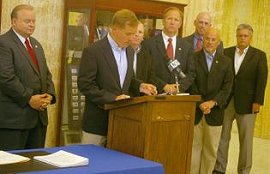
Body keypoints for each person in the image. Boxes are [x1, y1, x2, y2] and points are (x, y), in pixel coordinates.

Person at [78, 9, 157, 146]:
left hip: (121, 122)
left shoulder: (130, 51)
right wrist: (113, 99)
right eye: (128, 34)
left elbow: (126, 79)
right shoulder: (93, 51)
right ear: (114, 30)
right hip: (97, 123)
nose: (132, 38)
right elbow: (85, 85)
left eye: (134, 34)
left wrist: (140, 86)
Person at [214, 24, 268, 174]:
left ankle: (244, 170)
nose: (242, 38)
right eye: (240, 35)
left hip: (248, 104)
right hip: (226, 102)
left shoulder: (259, 55)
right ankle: (219, 168)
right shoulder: (226, 52)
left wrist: (258, 102)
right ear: (236, 36)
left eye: (245, 36)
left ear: (250, 37)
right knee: (222, 137)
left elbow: (262, 80)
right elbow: (220, 77)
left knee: (246, 141)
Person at [0, 4, 56, 150]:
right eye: (27, 21)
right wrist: (29, 98)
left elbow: (46, 74)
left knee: (35, 165)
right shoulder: (4, 43)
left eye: (33, 21)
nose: (32, 24)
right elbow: (6, 78)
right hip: (15, 121)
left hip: (38, 120)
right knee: (12, 167)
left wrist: (49, 95)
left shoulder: (36, 44)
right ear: (13, 22)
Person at [189, 27, 233, 174]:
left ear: (218, 42)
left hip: (215, 113)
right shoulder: (193, 58)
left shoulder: (226, 62)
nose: (209, 42)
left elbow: (228, 87)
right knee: (193, 149)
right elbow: (190, 83)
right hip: (196, 110)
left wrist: (213, 102)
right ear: (203, 40)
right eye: (207, 38)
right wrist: (200, 103)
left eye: (213, 39)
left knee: (211, 151)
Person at [143, 7, 195, 94]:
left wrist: (178, 87)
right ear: (163, 21)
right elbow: (146, 71)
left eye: (176, 20)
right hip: (155, 94)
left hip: (179, 97)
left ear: (180, 24)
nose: (172, 22)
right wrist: (164, 86)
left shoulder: (187, 47)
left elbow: (191, 73)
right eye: (169, 19)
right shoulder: (149, 44)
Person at [130, 22, 161, 91]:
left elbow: (151, 77)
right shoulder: (121, 52)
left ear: (143, 37)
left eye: (140, 32)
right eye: (134, 32)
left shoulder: (147, 55)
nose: (136, 34)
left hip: (141, 97)